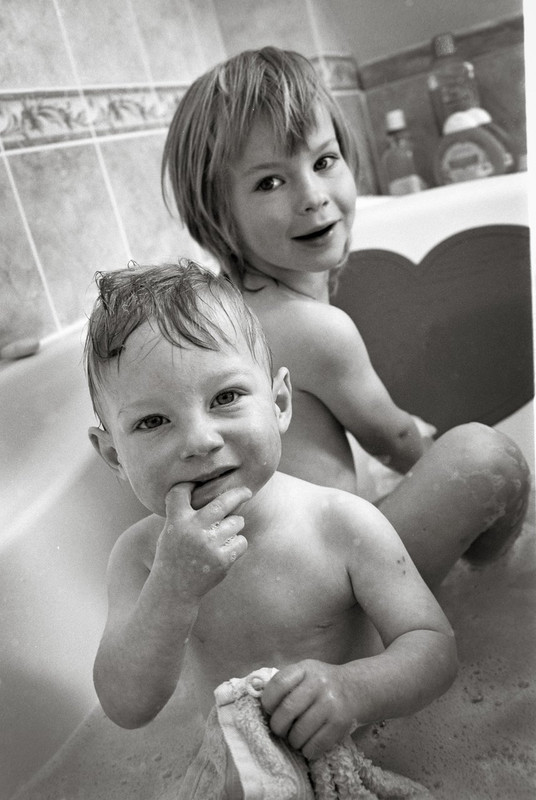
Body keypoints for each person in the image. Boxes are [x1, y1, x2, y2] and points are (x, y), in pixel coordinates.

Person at [161, 46, 530, 587]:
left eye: (323, 161)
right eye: (269, 181)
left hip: (271, 588)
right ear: (218, 214)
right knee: (489, 459)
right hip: (334, 596)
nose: (313, 196)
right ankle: (497, 572)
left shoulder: (229, 309)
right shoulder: (311, 327)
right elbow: (396, 440)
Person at [85, 261, 457, 775]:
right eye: (153, 421)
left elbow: (433, 648)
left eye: (226, 397)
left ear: (279, 402)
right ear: (113, 457)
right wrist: (171, 590)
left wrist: (353, 690)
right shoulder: (141, 559)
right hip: (240, 769)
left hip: (367, 750)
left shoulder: (341, 524)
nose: (199, 440)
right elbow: (126, 707)